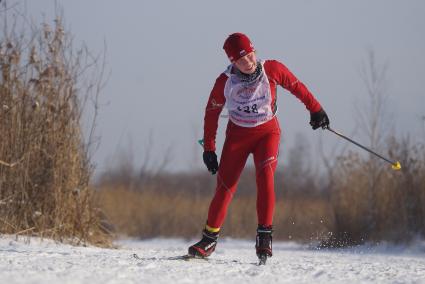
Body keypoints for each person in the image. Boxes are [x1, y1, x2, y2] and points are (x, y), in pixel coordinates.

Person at [188, 33, 329, 261]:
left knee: (265, 177)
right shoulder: (224, 82)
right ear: (233, 61)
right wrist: (209, 149)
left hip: (267, 133)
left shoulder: (271, 69)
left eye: (251, 55)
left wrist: (316, 110)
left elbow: (297, 87)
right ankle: (209, 240)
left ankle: (264, 236)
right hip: (238, 136)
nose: (249, 62)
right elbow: (211, 114)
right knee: (225, 186)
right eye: (242, 60)